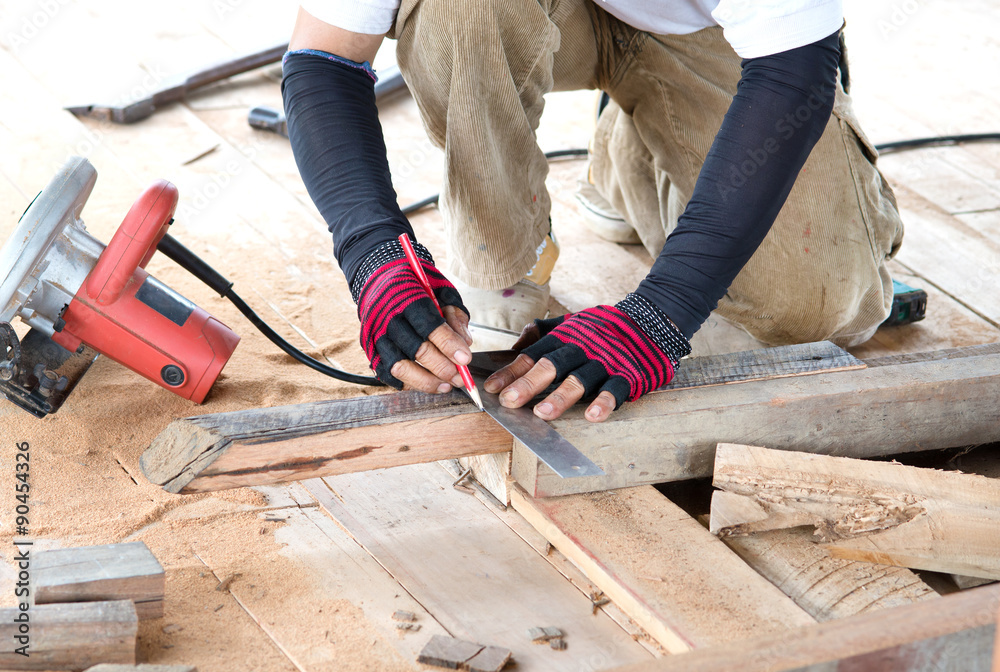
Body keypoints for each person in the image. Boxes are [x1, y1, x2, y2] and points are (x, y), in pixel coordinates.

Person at [281, 0, 904, 424]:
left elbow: (793, 74)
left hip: (700, 30)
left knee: (815, 309)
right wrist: (374, 255)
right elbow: (323, 60)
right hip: (521, 15)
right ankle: (507, 257)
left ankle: (632, 155)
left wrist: (659, 316)